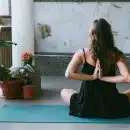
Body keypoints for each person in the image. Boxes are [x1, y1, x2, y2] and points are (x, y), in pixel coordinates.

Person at [61, 18, 130, 118]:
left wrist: (93, 77)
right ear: (109, 36)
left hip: (86, 106)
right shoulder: (115, 54)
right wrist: (103, 78)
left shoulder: (82, 53)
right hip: (111, 106)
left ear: (91, 34)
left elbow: (68, 74)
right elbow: (127, 77)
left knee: (64, 92)